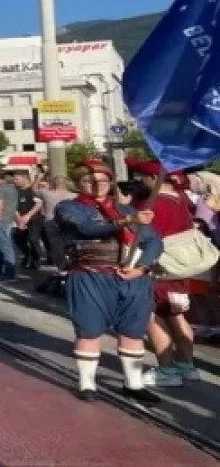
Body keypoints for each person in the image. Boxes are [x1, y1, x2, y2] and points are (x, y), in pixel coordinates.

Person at [53, 159, 161, 404]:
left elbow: (154, 242)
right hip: (90, 275)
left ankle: (133, 383)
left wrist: (142, 268)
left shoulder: (128, 210)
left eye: (103, 180)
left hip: (133, 279)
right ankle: (87, 384)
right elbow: (88, 228)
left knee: (133, 331)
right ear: (78, 182)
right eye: (89, 180)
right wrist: (129, 221)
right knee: (89, 330)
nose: (97, 185)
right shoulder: (68, 208)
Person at [126, 159, 204, 388]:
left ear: (153, 178)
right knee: (177, 315)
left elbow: (143, 235)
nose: (140, 181)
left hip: (158, 266)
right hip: (180, 266)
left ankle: (167, 369)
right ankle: (187, 366)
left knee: (152, 317)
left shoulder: (152, 204)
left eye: (142, 176)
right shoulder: (182, 200)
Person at [0, 171, 20, 280]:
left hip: (2, 219)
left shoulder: (1, 188)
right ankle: (11, 271)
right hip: (10, 218)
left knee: (5, 247)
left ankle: (9, 274)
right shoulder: (13, 188)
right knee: (9, 246)